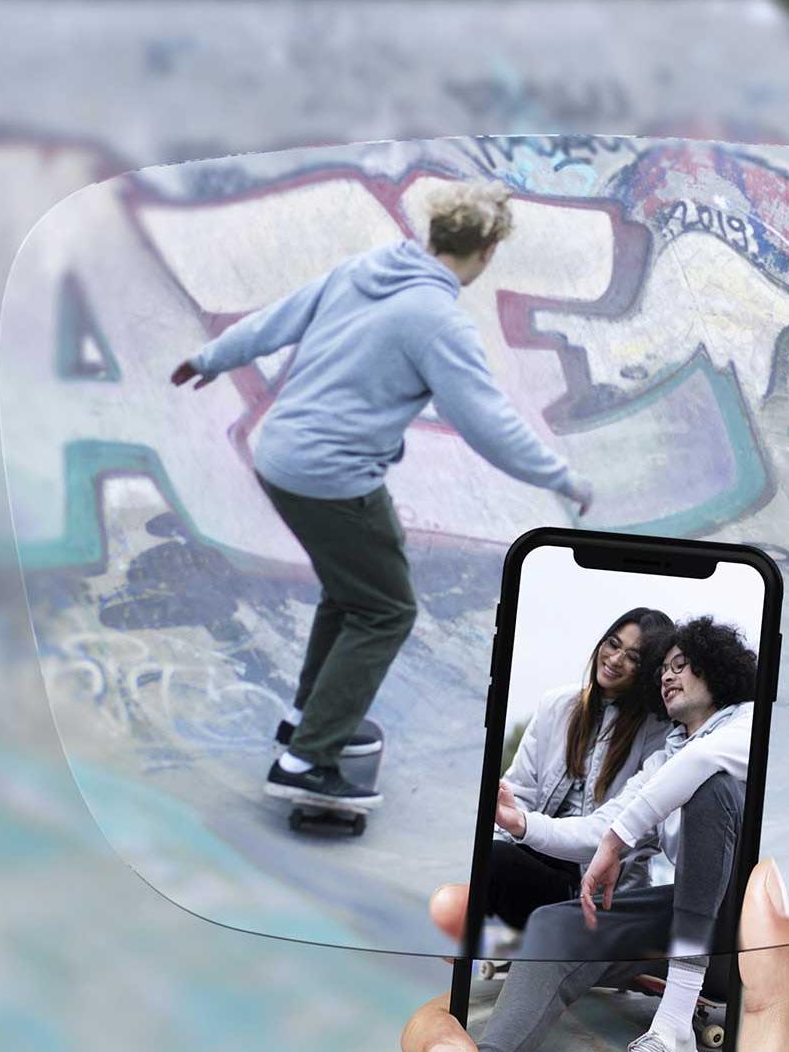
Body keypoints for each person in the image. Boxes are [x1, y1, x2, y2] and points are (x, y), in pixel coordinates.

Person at [169, 181, 593, 809]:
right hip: (332, 477)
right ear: (485, 251)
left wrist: (210, 357)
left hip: (282, 455)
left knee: (353, 594)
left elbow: (277, 317)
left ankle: (308, 720)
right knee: (386, 610)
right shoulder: (437, 321)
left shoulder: (367, 268)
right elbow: (487, 423)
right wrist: (560, 476)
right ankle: (305, 761)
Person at [485, 617, 760, 1052]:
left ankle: (672, 1029)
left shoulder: (750, 722)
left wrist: (617, 841)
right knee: (558, 920)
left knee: (710, 789)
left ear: (715, 669)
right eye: (662, 672)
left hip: (745, 929)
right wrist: (522, 823)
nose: (667, 677)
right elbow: (601, 827)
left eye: (680, 665)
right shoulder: (664, 758)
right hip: (688, 919)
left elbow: (701, 762)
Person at [402, 860, 789, 1052]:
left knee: (559, 924)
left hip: (708, 915)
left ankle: (672, 1032)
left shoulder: (707, 759)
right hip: (633, 909)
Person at [488, 608, 676, 931]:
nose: (615, 659)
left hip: (592, 888)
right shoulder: (556, 705)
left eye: (632, 657)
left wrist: (518, 827)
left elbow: (608, 832)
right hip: (531, 853)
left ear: (649, 672)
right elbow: (519, 791)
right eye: (613, 644)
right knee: (481, 857)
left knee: (493, 861)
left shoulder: (659, 735)